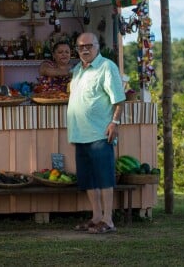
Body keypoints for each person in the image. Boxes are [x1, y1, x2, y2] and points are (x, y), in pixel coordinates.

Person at [67, 32, 125, 234]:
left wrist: (114, 122)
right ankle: (96, 217)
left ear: (97, 46)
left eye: (89, 45)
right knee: (88, 179)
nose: (85, 49)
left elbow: (118, 99)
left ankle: (108, 220)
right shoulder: (78, 69)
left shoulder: (106, 67)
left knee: (104, 177)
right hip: (80, 133)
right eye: (81, 46)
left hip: (100, 132)